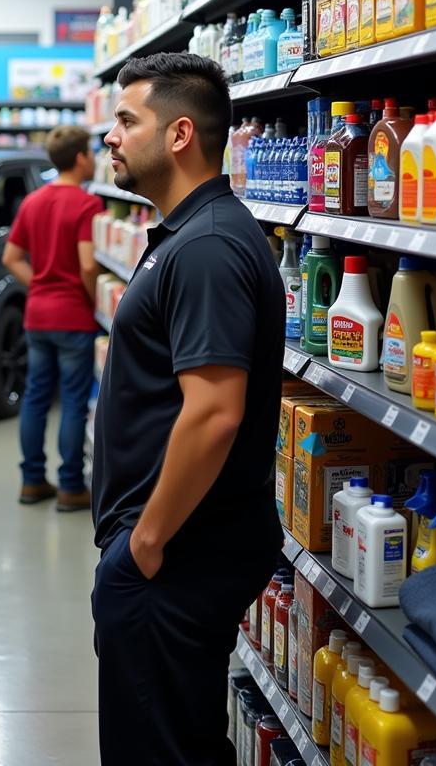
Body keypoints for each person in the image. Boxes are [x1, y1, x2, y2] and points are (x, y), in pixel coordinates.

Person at [91, 53, 284, 766]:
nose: (109, 136)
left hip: (175, 555)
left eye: (125, 120)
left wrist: (143, 543)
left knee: (159, 749)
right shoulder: (190, 234)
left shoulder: (205, 247)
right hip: (172, 550)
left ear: (178, 135)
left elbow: (213, 413)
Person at [1, 125, 103, 511]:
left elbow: (10, 258)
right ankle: (70, 486)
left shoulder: (33, 201)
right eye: (91, 153)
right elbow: (88, 264)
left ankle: (31, 481)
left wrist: (40, 284)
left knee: (35, 397)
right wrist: (94, 300)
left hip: (37, 315)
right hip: (73, 315)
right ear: (80, 158)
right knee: (73, 402)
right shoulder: (86, 204)